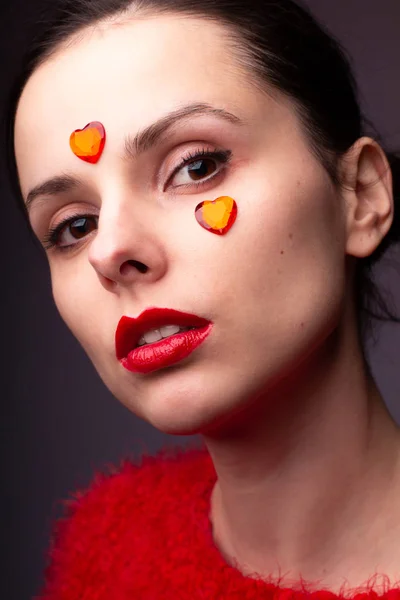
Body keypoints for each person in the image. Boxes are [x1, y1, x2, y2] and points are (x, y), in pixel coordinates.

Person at [4, 0, 400, 597]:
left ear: (360, 196)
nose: (108, 252)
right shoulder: (106, 555)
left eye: (195, 166)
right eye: (74, 226)